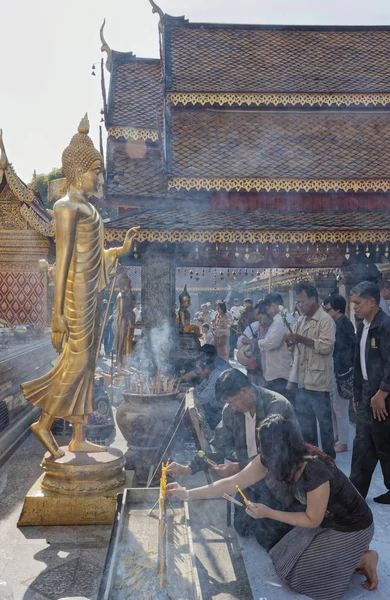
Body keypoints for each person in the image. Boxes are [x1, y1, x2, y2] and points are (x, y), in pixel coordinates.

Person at [168, 415, 377, 599]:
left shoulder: (315, 469)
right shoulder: (271, 457)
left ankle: (362, 558)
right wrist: (187, 494)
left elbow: (313, 519)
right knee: (285, 568)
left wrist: (268, 512)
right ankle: (347, 556)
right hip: (324, 521)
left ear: (280, 449)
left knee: (302, 582)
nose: (260, 452)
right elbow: (232, 483)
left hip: (350, 526)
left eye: (264, 448)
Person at [167, 369, 299, 549]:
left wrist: (237, 467)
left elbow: (275, 456)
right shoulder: (231, 411)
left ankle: (289, 516)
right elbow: (217, 443)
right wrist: (189, 468)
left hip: (278, 477)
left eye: (231, 401)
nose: (231, 407)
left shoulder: (276, 406)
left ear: (244, 391)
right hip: (250, 477)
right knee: (242, 527)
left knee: (268, 539)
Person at [350, 281, 390, 503]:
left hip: (383, 395)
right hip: (367, 393)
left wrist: (382, 393)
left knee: (384, 443)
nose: (354, 307)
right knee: (363, 442)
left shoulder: (385, 326)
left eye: (358, 302)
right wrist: (358, 394)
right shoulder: (362, 324)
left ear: (372, 302)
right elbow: (359, 362)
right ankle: (355, 491)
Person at [286, 282, 336, 459]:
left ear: (314, 299)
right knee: (306, 423)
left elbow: (326, 347)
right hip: (302, 379)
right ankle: (312, 457)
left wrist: (301, 338)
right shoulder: (301, 319)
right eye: (298, 302)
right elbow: (294, 348)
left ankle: (329, 458)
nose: (300, 305)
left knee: (324, 424)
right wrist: (290, 341)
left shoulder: (325, 320)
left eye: (303, 302)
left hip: (319, 381)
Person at [323, 294, 356, 453]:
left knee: (340, 409)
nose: (326, 312)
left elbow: (343, 352)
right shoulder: (337, 323)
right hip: (335, 370)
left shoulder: (344, 325)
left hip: (341, 372)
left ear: (337, 309)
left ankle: (343, 442)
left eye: (328, 309)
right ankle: (338, 436)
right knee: (333, 407)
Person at [260, 292, 295, 396]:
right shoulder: (281, 319)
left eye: (268, 309)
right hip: (279, 370)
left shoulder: (281, 320)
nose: (268, 312)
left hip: (281, 372)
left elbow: (271, 343)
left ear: (274, 306)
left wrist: (258, 342)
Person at [237, 302, 272, 385]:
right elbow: (240, 343)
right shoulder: (253, 326)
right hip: (252, 365)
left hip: (267, 367)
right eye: (259, 317)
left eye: (264, 318)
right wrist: (245, 341)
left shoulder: (272, 328)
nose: (261, 321)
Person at [193, 353, 230, 429]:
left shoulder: (216, 378)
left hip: (224, 414)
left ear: (206, 369)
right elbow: (199, 389)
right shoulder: (208, 376)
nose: (197, 371)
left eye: (198, 368)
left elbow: (201, 399)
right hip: (215, 409)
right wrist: (183, 389)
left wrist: (184, 395)